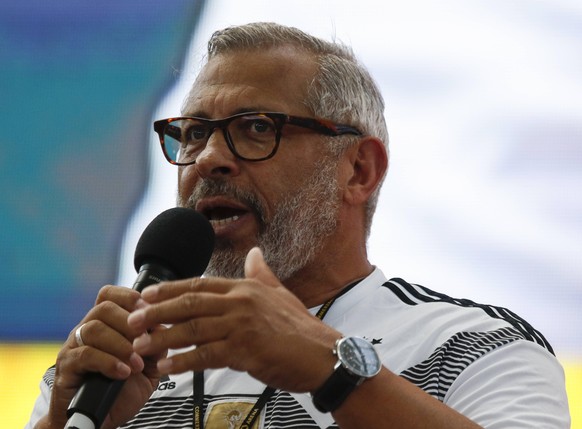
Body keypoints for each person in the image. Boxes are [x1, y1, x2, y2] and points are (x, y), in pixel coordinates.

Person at [27, 22, 569, 429]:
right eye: (192, 133)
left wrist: (330, 370)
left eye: (257, 127)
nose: (209, 157)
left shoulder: (474, 348)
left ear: (358, 170)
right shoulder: (106, 369)